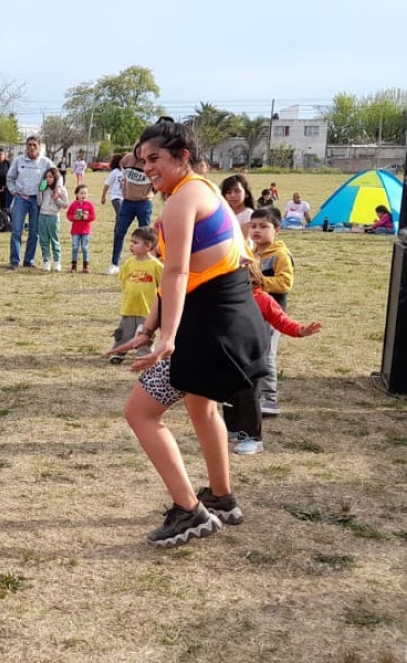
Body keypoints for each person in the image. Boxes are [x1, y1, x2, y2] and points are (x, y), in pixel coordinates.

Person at [108, 117, 268, 548]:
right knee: (202, 409)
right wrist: (149, 328)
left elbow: (177, 272)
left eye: (156, 158)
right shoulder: (202, 191)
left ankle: (189, 511)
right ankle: (220, 497)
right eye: (142, 161)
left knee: (140, 413)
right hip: (226, 320)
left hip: (210, 329)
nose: (148, 168)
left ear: (182, 156)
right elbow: (184, 274)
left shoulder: (182, 202)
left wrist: (167, 339)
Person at [224, 262, 322, 455]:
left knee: (248, 396)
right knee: (228, 395)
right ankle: (233, 429)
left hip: (252, 356)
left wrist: (301, 330)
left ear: (253, 278)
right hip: (229, 356)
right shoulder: (225, 298)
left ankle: (253, 437)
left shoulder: (263, 300)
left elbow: (282, 321)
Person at [250, 207, 293, 417]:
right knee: (253, 351)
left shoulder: (280, 255)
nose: (257, 230)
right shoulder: (251, 253)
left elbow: (285, 283)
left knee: (267, 354)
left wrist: (260, 282)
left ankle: (270, 398)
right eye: (253, 226)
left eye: (263, 226)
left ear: (277, 229)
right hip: (253, 312)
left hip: (272, 313)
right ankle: (254, 394)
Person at [109, 227, 163, 364]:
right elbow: (124, 281)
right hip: (129, 306)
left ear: (148, 246)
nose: (131, 245)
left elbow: (162, 287)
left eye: (135, 242)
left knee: (145, 334)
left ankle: (144, 356)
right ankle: (119, 352)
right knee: (123, 332)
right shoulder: (128, 263)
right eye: (131, 242)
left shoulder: (156, 266)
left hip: (147, 310)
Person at [7, 136, 54, 268]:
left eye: (34, 145)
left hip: (37, 200)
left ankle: (29, 261)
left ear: (39, 146)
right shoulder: (18, 160)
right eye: (29, 145)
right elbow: (10, 178)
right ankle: (15, 261)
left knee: (35, 232)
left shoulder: (46, 162)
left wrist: (44, 189)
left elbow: (56, 178)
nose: (31, 147)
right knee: (16, 230)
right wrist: (14, 191)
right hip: (21, 198)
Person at [106, 150, 154, 275]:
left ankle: (146, 264)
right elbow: (122, 168)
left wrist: (151, 192)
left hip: (144, 202)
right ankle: (114, 263)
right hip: (127, 202)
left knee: (145, 235)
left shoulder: (150, 162)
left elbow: (158, 179)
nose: (140, 152)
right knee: (119, 231)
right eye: (138, 148)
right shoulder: (127, 159)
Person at [37, 167, 69, 271]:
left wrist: (57, 199)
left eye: (50, 177)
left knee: (54, 239)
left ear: (55, 177)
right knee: (44, 240)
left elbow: (65, 205)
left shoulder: (61, 189)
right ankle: (46, 261)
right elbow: (39, 203)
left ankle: (57, 261)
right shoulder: (44, 188)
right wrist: (40, 192)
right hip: (42, 215)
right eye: (46, 177)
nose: (48, 179)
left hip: (54, 216)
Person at [100, 154, 125, 274]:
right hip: (115, 197)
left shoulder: (128, 172)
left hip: (126, 198)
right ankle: (118, 227)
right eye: (121, 161)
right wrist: (103, 196)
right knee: (120, 213)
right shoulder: (115, 172)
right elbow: (107, 185)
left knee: (121, 217)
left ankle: (118, 227)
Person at [67, 184, 96, 273]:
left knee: (84, 248)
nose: (83, 195)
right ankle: (74, 266)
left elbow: (93, 216)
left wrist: (87, 218)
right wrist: (74, 217)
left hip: (85, 231)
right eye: (81, 193)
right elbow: (68, 215)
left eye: (85, 193)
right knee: (75, 247)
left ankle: (85, 266)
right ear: (77, 194)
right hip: (75, 231)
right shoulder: (74, 204)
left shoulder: (89, 205)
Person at [221, 175, 255, 242]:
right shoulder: (223, 212)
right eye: (228, 192)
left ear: (246, 194)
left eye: (237, 191)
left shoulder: (248, 214)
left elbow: (242, 241)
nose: (232, 195)